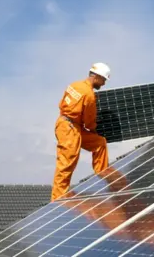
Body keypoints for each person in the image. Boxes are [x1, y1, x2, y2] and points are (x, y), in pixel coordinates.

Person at [51, 62, 111, 202]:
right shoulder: (89, 95)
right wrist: (94, 129)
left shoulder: (74, 85)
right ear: (97, 77)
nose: (103, 84)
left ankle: (103, 175)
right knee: (66, 164)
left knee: (99, 143)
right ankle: (57, 201)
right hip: (69, 129)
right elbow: (89, 121)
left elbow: (62, 104)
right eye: (103, 80)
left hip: (68, 124)